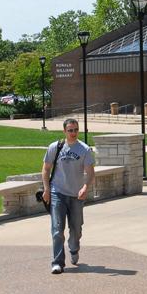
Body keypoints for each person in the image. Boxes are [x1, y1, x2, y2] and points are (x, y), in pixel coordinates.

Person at [42, 118, 95, 275]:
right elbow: (45, 169)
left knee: (76, 229)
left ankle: (74, 248)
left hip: (76, 195)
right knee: (57, 229)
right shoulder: (55, 147)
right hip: (57, 193)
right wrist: (46, 189)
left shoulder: (84, 149)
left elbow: (91, 173)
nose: (73, 133)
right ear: (64, 131)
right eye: (70, 130)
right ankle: (58, 263)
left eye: (76, 130)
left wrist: (85, 187)